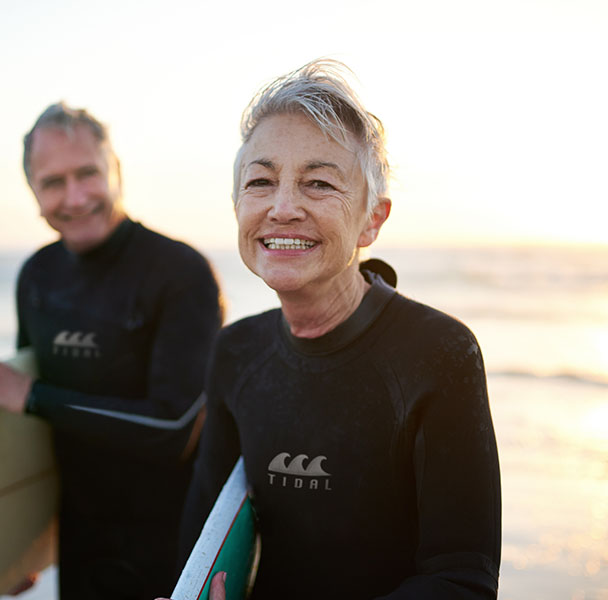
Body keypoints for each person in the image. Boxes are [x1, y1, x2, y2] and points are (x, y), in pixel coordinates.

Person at [162, 59, 501, 600]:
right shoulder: (236, 351)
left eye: (318, 183)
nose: (283, 207)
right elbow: (202, 547)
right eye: (261, 181)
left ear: (373, 218)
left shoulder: (439, 353)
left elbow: (462, 580)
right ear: (237, 208)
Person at [0, 102, 223, 600]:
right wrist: (17, 545)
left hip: (173, 549)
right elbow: (35, 440)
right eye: (52, 182)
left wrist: (33, 397)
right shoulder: (38, 278)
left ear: (116, 172)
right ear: (33, 191)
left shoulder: (180, 274)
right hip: (81, 550)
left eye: (88, 174)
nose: (74, 197)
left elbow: (173, 429)